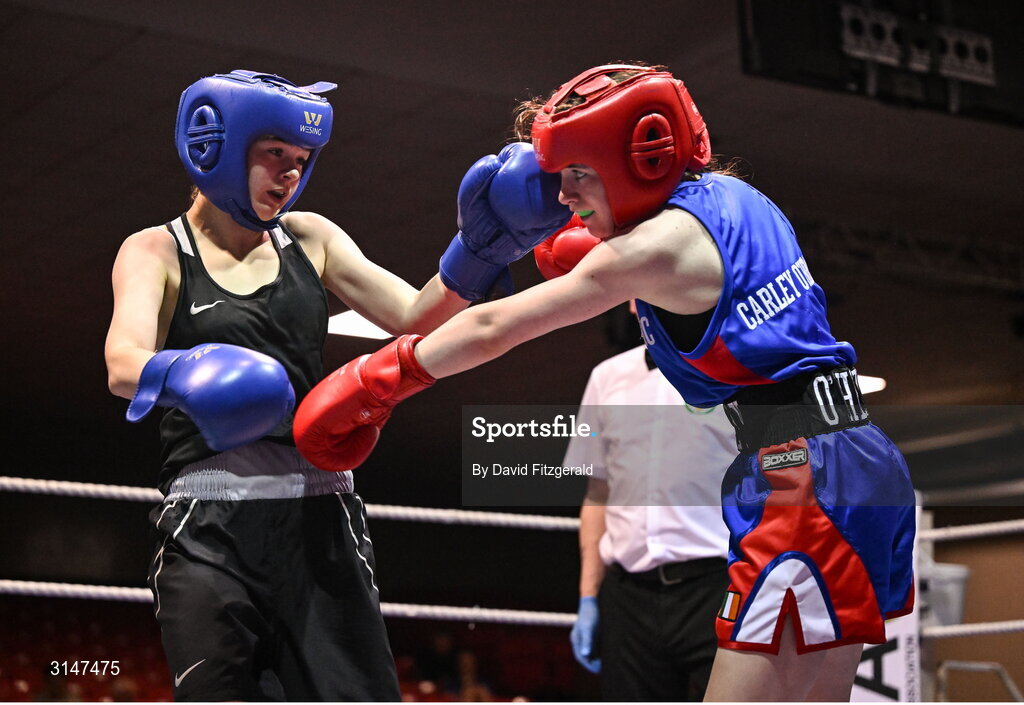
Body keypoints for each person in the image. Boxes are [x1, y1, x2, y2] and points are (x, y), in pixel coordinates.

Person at [292, 63, 916, 702]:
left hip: (801, 470)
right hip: (848, 456)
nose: (563, 196)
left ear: (643, 157)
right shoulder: (738, 200)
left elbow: (496, 326)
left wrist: (383, 377)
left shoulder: (651, 252)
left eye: (578, 174)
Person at [104, 69, 568, 701]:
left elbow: (411, 317)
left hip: (319, 515)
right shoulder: (155, 250)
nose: (290, 175)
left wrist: (479, 252)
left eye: (301, 161)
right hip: (207, 522)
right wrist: (187, 372)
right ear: (216, 146)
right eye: (275, 155)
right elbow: (123, 362)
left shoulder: (311, 237)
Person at [565, 341, 736, 701]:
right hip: (628, 600)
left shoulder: (737, 368)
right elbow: (597, 494)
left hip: (719, 587)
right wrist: (588, 598)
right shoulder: (605, 377)